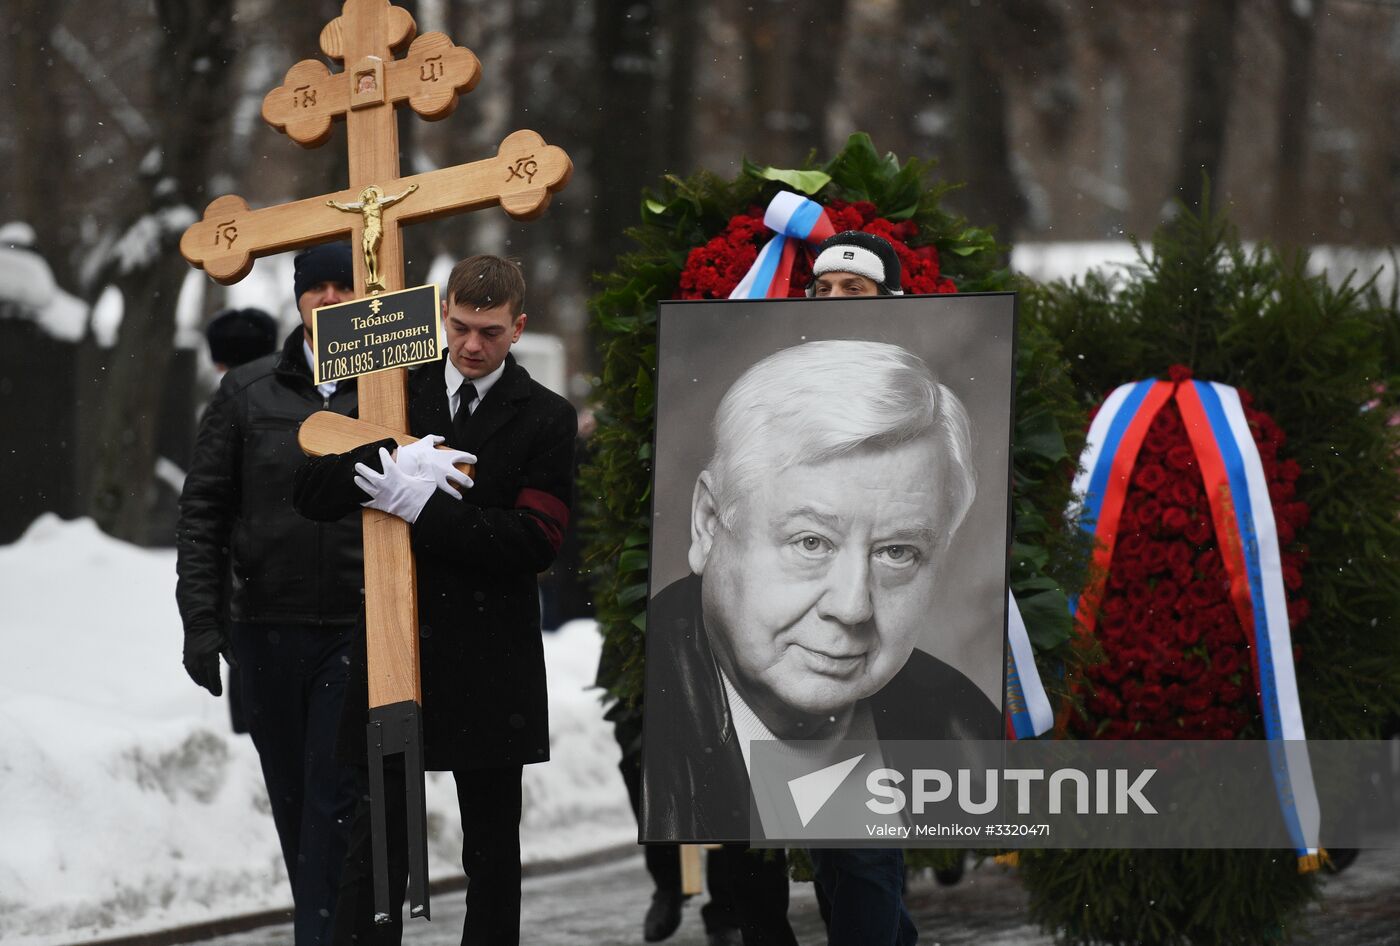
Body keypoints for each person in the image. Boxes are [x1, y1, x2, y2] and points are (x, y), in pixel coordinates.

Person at [642, 231, 1002, 946]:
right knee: (751, 874)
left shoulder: (950, 712)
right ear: (711, 522)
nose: (852, 607)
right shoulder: (677, 690)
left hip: (865, 775)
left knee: (864, 865)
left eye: (898, 551)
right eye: (810, 541)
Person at [292, 255, 576, 946]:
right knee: (377, 847)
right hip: (397, 640)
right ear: (441, 314)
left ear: (518, 328)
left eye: (490, 331)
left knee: (489, 852)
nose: (472, 345)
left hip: (489, 655)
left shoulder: (544, 416)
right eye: (459, 326)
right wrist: (385, 466)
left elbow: (537, 539)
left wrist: (426, 508)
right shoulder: (396, 389)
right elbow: (309, 493)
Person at [176, 244, 361, 946]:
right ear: (299, 296)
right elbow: (205, 512)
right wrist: (201, 621)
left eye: (347, 284)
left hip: (355, 622)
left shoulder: (390, 384)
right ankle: (320, 924)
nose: (332, 297)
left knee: (333, 797)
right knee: (292, 799)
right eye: (319, 286)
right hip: (267, 627)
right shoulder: (247, 391)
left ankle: (323, 936)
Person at [200, 305, 282, 737]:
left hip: (247, 589)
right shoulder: (288, 407)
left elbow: (206, 509)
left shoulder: (223, 411)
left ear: (217, 361)